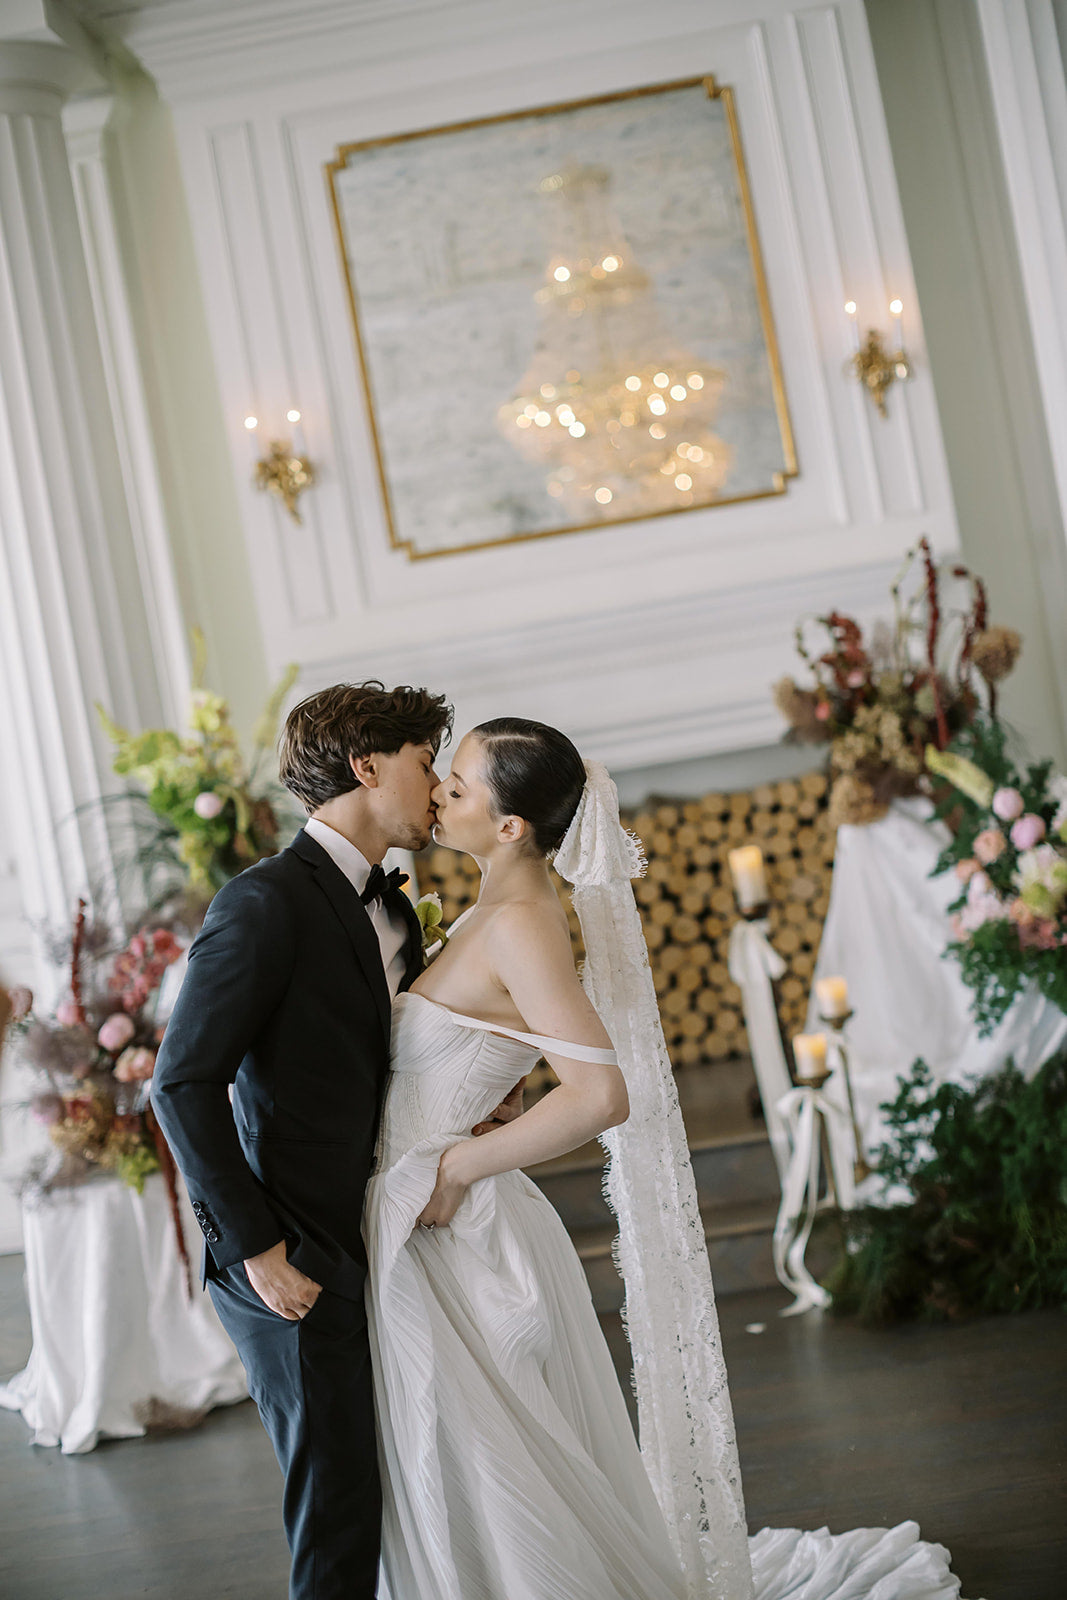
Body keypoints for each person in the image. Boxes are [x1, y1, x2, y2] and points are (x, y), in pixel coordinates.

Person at [368, 717, 967, 1600]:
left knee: (485, 1462)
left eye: (457, 785)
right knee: (460, 1460)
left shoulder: (523, 923)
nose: (439, 795)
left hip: (452, 1221)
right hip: (422, 1222)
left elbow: (602, 1094)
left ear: (509, 828)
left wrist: (456, 1166)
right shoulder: (489, 911)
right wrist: (487, 1100)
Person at [151, 682, 519, 1600]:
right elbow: (181, 1083)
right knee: (337, 1506)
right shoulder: (264, 903)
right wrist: (258, 1249)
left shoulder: (395, 907)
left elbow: (382, 1061)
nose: (437, 785)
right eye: (425, 763)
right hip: (292, 1253)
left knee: (403, 1480)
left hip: (378, 1234)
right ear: (366, 766)